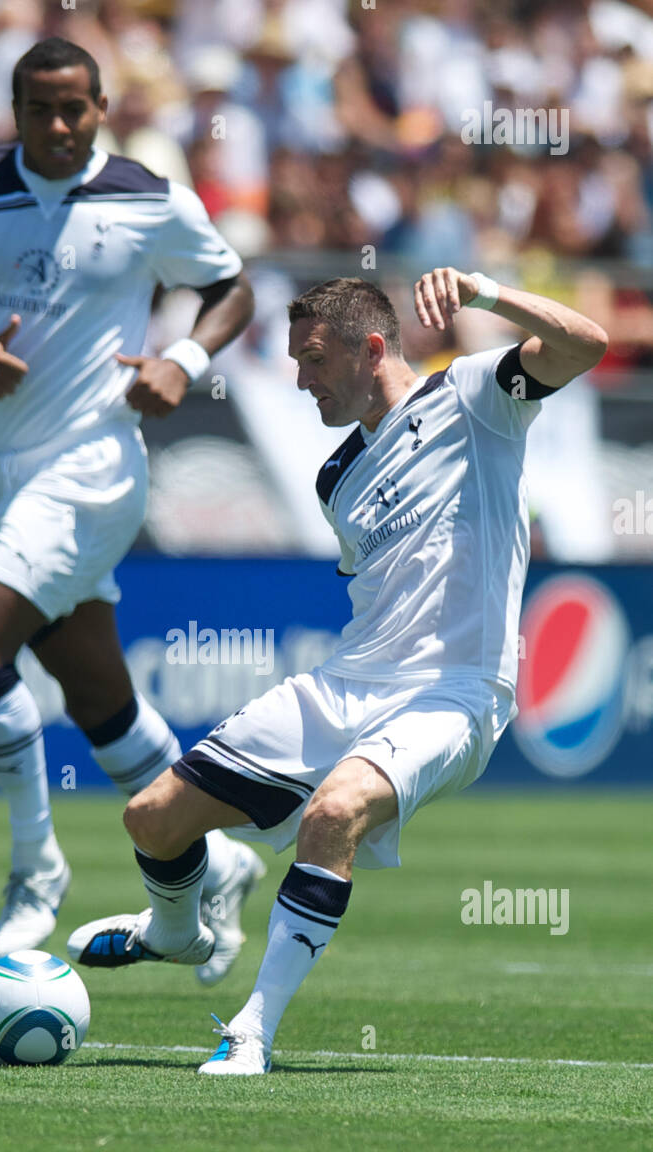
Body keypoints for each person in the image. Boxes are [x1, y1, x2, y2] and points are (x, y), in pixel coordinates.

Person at [68, 267, 608, 1074]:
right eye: (295, 362)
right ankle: (177, 931)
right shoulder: (336, 478)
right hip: (349, 682)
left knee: (335, 812)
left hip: (456, 692)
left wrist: (486, 295)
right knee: (151, 818)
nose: (302, 380)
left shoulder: (473, 395)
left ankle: (251, 1031)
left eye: (314, 360)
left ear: (374, 349)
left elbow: (587, 344)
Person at [0, 37, 262, 975]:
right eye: (40, 109)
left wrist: (182, 362)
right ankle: (217, 862)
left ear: (101, 108)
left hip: (95, 468)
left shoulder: (148, 198)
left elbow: (231, 288)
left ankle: (36, 867)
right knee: (97, 695)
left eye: (75, 108)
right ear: (14, 112)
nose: (58, 125)